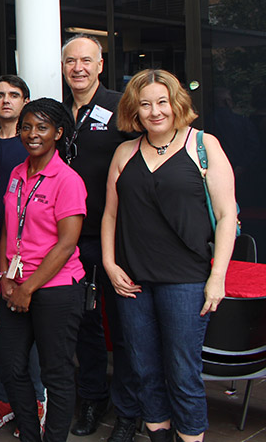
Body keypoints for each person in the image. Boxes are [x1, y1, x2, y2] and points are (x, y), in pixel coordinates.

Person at [101, 69, 236, 442]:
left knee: (182, 370)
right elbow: (110, 214)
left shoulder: (203, 145)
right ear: (135, 110)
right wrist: (111, 264)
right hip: (133, 280)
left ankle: (190, 435)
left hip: (187, 280)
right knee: (144, 368)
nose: (155, 111)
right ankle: (158, 433)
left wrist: (217, 277)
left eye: (162, 102)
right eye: (145, 104)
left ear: (176, 103)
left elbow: (227, 216)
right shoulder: (124, 152)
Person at [61, 34, 141, 440]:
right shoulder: (57, 114)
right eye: (71, 60)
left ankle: (130, 412)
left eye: (86, 60)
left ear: (100, 65)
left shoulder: (121, 107)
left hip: (117, 239)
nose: (78, 67)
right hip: (72, 240)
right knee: (86, 325)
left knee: (125, 330)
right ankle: (93, 399)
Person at [0, 98, 87, 442]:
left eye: (42, 128)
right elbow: (8, 227)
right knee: (10, 364)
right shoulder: (18, 173)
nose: (32, 134)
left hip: (56, 289)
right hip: (16, 284)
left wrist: (28, 287)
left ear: (58, 133)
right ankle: (31, 435)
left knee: (56, 373)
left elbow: (66, 244)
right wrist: (6, 274)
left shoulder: (67, 179)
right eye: (27, 127)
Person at [0, 75, 46, 433]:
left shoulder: (33, 144)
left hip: (28, 249)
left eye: (13, 95)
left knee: (27, 324)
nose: (6, 100)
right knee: (0, 329)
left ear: (25, 101)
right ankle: (3, 398)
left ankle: (35, 400)